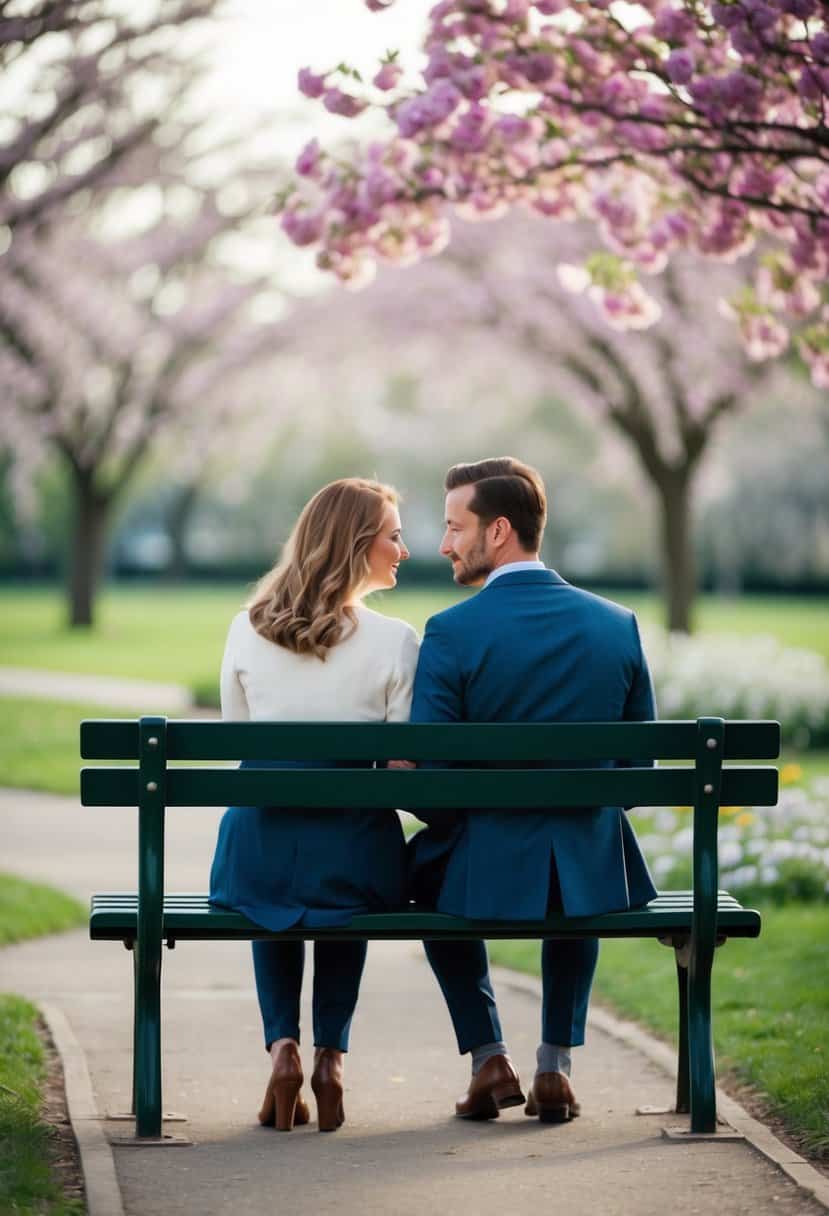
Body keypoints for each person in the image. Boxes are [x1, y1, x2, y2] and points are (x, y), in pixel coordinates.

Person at [408, 457, 657, 1124]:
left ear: (497, 532)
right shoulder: (617, 624)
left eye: (453, 527)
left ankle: (488, 1056)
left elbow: (432, 796)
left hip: (479, 869)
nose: (442, 544)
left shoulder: (450, 632)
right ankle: (554, 1066)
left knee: (420, 872)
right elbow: (635, 775)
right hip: (592, 867)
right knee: (580, 852)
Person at [209, 478, 418, 1132]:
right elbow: (402, 767)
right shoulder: (396, 640)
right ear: (357, 545)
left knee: (273, 894)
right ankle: (330, 1056)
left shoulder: (246, 628)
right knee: (341, 891)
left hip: (258, 853)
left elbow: (237, 738)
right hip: (355, 857)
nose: (404, 550)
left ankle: (283, 1049)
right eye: (392, 535)